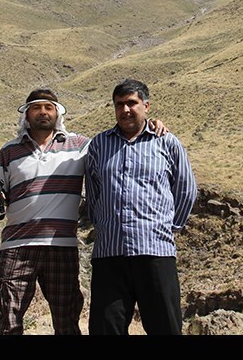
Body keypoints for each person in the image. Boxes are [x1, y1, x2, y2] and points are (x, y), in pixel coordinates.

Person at [0, 88, 168, 335]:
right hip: (17, 247)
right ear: (26, 115)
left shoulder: (81, 146)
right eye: (36, 108)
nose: (42, 113)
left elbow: (117, 143)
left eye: (48, 108)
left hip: (61, 246)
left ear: (57, 114)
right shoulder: (8, 151)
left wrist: (150, 123)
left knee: (66, 320)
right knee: (6, 319)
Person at [85, 78, 197, 335]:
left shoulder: (167, 143)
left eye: (132, 103)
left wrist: (168, 227)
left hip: (155, 252)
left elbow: (186, 189)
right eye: (119, 104)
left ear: (146, 105)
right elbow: (93, 193)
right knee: (105, 329)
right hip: (109, 256)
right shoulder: (98, 145)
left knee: (165, 327)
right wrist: (102, 224)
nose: (125, 110)